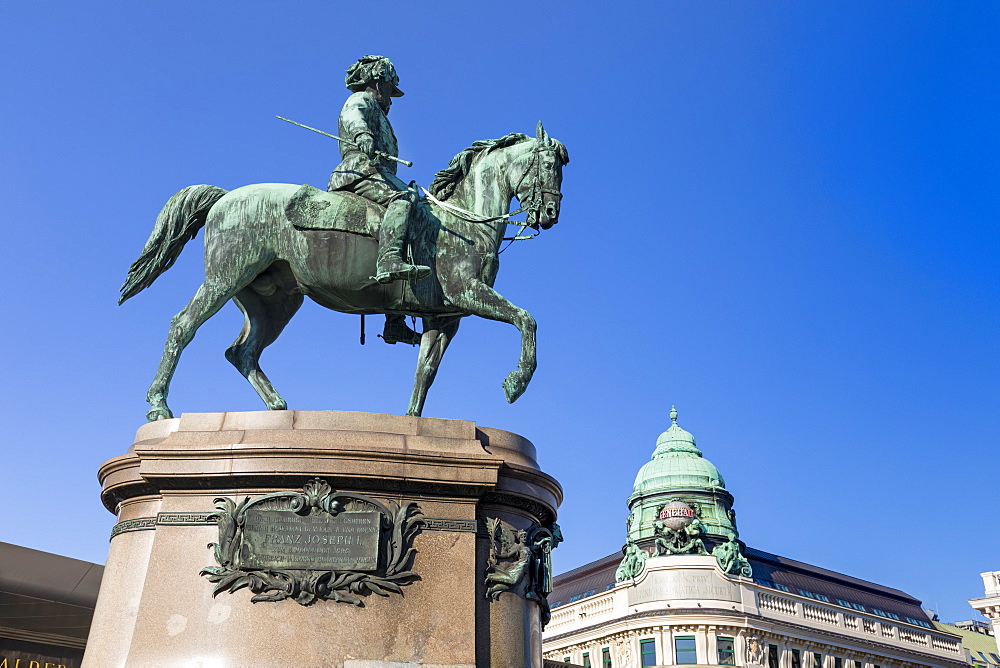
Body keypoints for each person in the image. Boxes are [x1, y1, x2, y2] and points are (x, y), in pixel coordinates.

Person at [328, 55, 429, 344]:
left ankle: (394, 319)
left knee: (418, 209)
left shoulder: (382, 114)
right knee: (403, 198)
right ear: (377, 82)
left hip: (378, 173)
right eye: (389, 88)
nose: (392, 97)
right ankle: (387, 262)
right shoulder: (362, 100)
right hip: (358, 172)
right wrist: (363, 135)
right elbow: (352, 115)